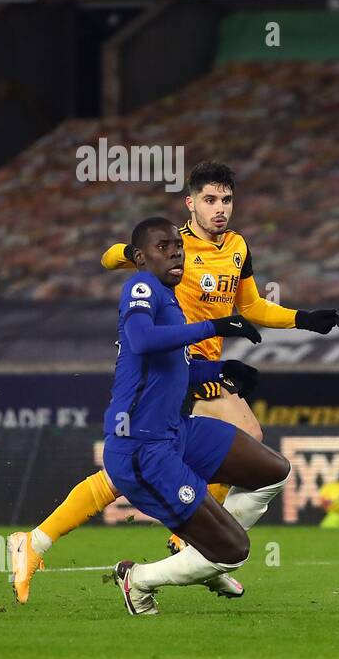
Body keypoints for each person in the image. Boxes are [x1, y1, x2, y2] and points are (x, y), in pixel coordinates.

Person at [7, 162, 339, 603]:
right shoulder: (170, 246)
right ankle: (199, 548)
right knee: (245, 440)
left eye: (226, 200)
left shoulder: (237, 247)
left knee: (121, 477)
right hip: (175, 367)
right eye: (210, 200)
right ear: (191, 203)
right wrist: (127, 254)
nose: (220, 209)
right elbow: (113, 261)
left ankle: (42, 540)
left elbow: (251, 306)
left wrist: (301, 319)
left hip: (198, 365)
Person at [97, 217, 290, 615]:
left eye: (177, 247)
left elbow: (175, 371)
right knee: (235, 550)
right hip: (142, 448)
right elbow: (140, 339)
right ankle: (139, 580)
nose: (175, 253)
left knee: (274, 471)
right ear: (139, 257)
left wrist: (222, 370)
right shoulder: (141, 285)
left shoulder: (171, 302)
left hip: (175, 432)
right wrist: (214, 325)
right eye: (163, 247)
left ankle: (208, 550)